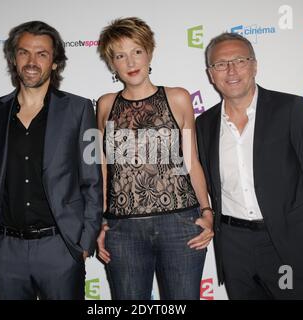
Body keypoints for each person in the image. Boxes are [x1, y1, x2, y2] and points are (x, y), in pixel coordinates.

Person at [0, 21, 102, 300]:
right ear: (13, 59)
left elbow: (92, 180)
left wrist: (84, 242)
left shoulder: (80, 110)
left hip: (61, 249)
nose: (32, 61)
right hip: (4, 252)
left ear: (55, 62)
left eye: (42, 54)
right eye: (24, 52)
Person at [195, 32, 303, 299]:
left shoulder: (291, 109)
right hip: (235, 247)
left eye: (240, 60)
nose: (231, 70)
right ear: (211, 74)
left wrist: (301, 229)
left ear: (255, 65)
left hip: (288, 244)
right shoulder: (204, 124)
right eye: (221, 64)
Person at [95, 17, 213, 300]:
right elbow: (103, 169)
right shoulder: (105, 104)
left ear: (149, 52)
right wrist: (100, 222)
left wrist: (207, 212)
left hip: (180, 223)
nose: (130, 61)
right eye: (120, 56)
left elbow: (192, 161)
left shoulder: (178, 98)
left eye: (136, 51)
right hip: (123, 229)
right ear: (112, 64)